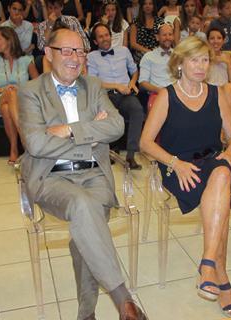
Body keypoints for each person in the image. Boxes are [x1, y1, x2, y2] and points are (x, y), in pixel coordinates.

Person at [17, 28, 147, 320]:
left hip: (95, 174)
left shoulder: (93, 84)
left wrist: (70, 130)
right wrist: (91, 131)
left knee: (84, 234)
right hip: (51, 177)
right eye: (67, 51)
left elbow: (116, 127)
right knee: (84, 207)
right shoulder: (29, 91)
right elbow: (36, 144)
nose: (75, 58)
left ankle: (85, 315)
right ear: (48, 54)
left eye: (80, 51)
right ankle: (124, 301)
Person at [140, 35, 231, 318]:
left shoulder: (215, 93)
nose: (200, 66)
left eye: (205, 60)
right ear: (180, 63)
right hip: (178, 167)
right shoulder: (166, 95)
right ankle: (217, 271)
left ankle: (209, 263)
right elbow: (146, 143)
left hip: (212, 161)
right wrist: (176, 163)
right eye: (194, 60)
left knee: (222, 172)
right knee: (221, 181)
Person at [87, 23, 144, 169]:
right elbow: (94, 82)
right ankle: (108, 151)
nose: (105, 38)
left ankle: (130, 155)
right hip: (106, 95)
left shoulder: (124, 51)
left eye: (106, 35)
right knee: (106, 113)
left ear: (111, 36)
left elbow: (134, 70)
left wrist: (132, 83)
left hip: (126, 94)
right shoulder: (91, 57)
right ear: (95, 41)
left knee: (137, 109)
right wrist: (116, 86)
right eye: (100, 36)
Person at [0, 27, 39, 165]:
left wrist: (21, 89)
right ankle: (25, 142)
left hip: (21, 100)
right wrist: (3, 90)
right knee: (10, 93)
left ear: (9, 40)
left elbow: (38, 84)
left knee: (8, 108)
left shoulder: (27, 59)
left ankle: (13, 149)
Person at [206, 27, 231, 125]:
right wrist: (210, 60)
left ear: (224, 40)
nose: (215, 41)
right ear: (207, 40)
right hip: (210, 91)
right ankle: (224, 129)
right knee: (229, 88)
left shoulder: (227, 57)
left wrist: (228, 63)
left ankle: (224, 135)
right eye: (212, 38)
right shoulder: (203, 57)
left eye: (219, 38)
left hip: (225, 93)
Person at [139, 23, 175, 111]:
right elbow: (142, 82)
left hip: (176, 94)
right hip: (157, 94)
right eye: (164, 35)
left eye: (170, 34)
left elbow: (181, 76)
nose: (167, 37)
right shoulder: (148, 56)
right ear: (157, 37)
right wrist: (160, 91)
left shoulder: (178, 55)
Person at [130, 0, 164, 64]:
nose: (147, 6)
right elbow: (133, 44)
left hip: (157, 52)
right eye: (145, 4)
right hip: (141, 53)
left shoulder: (160, 21)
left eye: (150, 4)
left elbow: (164, 39)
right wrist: (148, 51)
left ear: (154, 6)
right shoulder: (135, 22)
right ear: (142, 7)